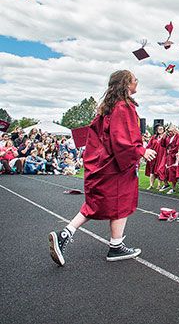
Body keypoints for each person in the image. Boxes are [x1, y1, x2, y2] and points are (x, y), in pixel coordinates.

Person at [48, 70, 157, 266]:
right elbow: (121, 138)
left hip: (103, 163)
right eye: (134, 80)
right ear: (126, 84)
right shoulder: (124, 107)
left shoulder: (107, 107)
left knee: (96, 204)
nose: (137, 82)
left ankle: (68, 235)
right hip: (115, 166)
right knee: (121, 202)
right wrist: (140, 150)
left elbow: (97, 136)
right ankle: (113, 246)